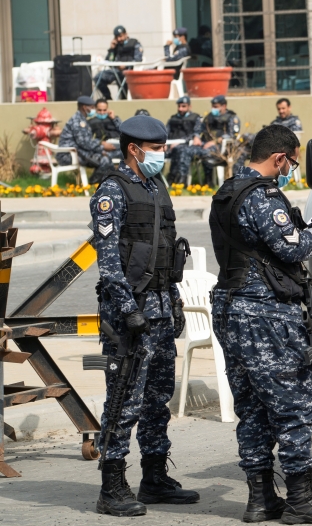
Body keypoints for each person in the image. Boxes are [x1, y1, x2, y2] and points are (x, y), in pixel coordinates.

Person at [209, 125, 312, 524]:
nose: (290, 169)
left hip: (232, 309)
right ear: (278, 158)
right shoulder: (264, 195)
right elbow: (291, 246)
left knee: (252, 408)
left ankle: (260, 499)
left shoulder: (227, 191)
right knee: (292, 407)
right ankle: (301, 499)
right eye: (290, 161)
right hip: (265, 314)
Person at [90, 115, 200, 517]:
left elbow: (166, 251)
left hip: (160, 310)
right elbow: (107, 264)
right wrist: (126, 310)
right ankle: (111, 485)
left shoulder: (156, 188)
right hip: (128, 315)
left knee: (157, 397)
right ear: (134, 149)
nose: (162, 154)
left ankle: (153, 476)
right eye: (156, 149)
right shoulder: (112, 192)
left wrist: (175, 304)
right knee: (123, 398)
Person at [57, 95, 117, 177]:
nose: (93, 110)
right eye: (92, 107)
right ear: (85, 107)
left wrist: (101, 148)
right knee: (104, 160)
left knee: (106, 157)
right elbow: (84, 143)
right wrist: (102, 145)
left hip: (78, 152)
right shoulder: (77, 121)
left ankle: (106, 184)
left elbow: (85, 143)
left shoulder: (82, 119)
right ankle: (93, 184)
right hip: (68, 155)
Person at [199, 95, 240, 181]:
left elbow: (233, 135)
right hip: (205, 144)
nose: (213, 109)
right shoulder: (209, 117)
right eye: (213, 106)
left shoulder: (231, 117)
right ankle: (207, 181)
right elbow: (200, 129)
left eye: (216, 107)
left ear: (224, 106)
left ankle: (208, 181)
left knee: (206, 153)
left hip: (222, 147)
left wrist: (216, 141)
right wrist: (196, 137)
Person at [96, 25, 143, 100]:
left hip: (128, 70)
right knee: (98, 78)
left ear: (126, 34)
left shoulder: (134, 43)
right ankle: (108, 98)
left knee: (122, 78)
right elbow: (109, 60)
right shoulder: (116, 46)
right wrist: (111, 49)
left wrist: (125, 65)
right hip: (116, 70)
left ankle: (123, 99)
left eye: (120, 36)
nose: (119, 39)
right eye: (117, 37)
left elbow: (138, 59)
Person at [166, 96, 205, 185]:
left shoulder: (195, 118)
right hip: (170, 146)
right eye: (179, 106)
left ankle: (180, 179)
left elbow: (195, 134)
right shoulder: (173, 118)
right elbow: (165, 132)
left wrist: (180, 142)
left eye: (183, 106)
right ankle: (159, 181)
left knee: (180, 150)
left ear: (189, 107)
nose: (180, 109)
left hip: (186, 145)